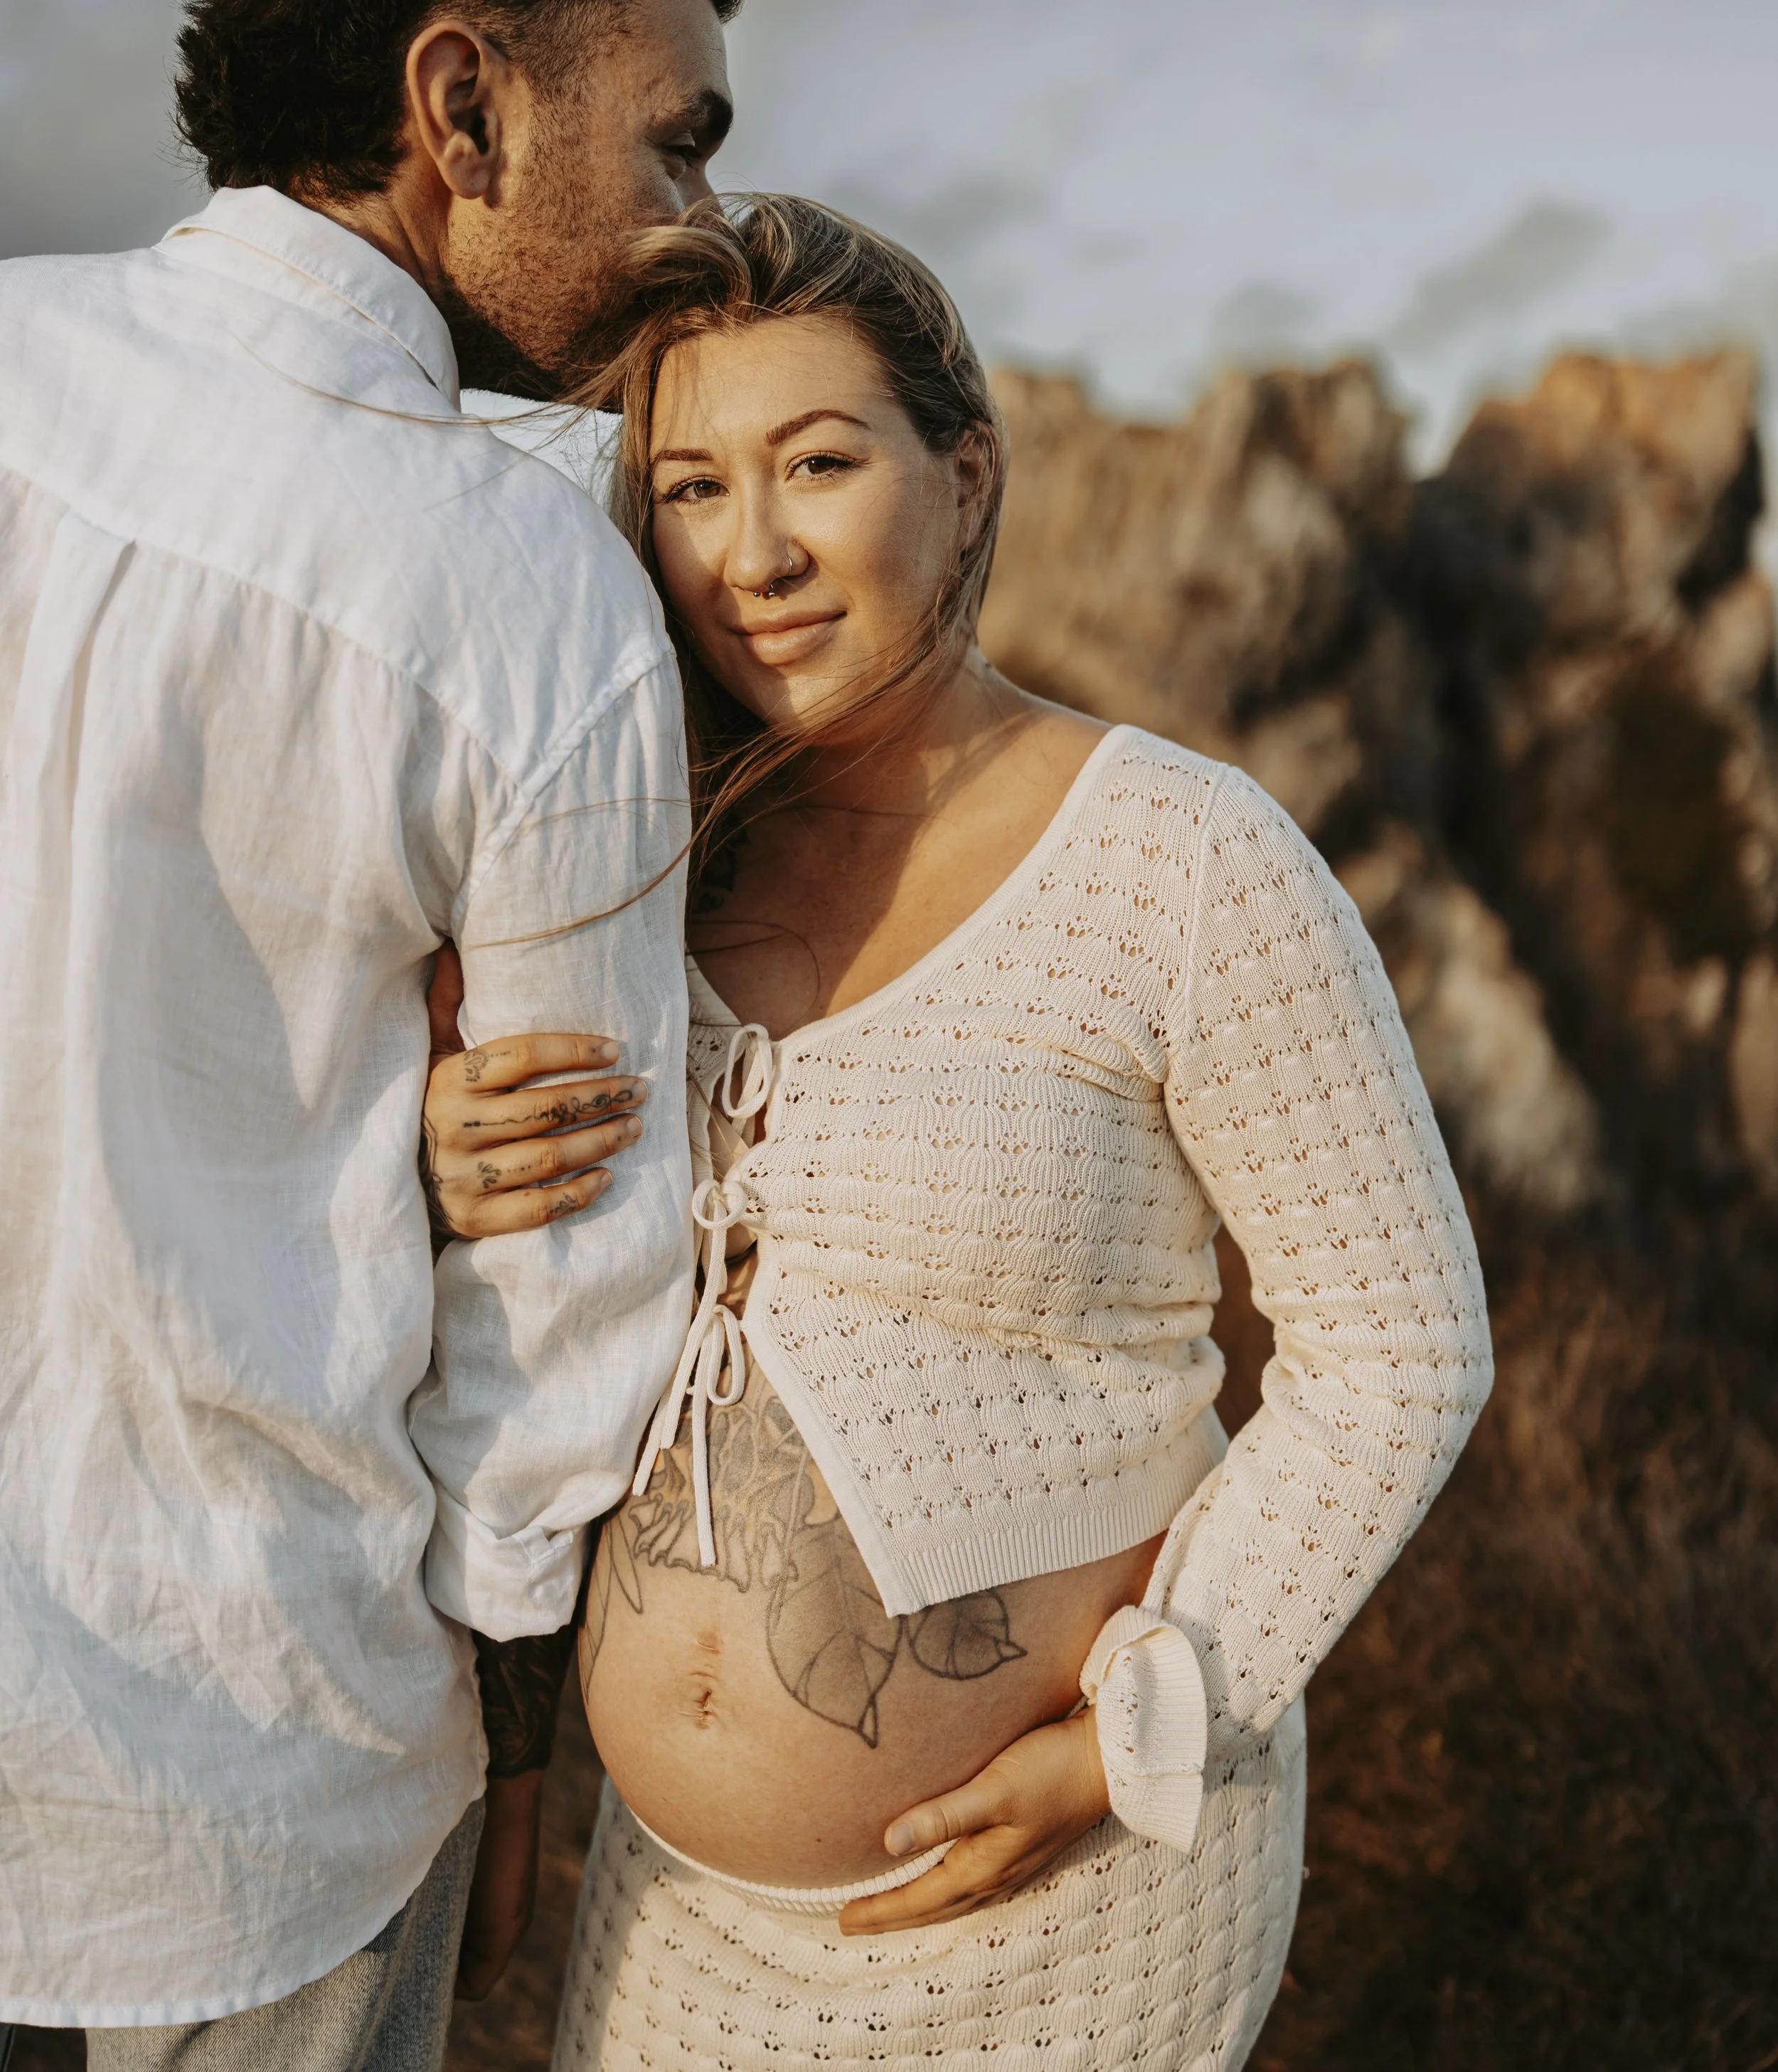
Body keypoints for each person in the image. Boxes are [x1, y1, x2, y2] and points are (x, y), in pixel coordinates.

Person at [420, 195, 1497, 2071]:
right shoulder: (639, 865)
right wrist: (441, 1157)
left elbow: (1397, 1348)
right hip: (671, 1910)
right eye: (688, 487)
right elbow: (532, 1293)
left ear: (964, 474)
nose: (752, 551)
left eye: (818, 462)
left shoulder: (1178, 857)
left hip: (1051, 1910)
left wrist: (1151, 1727)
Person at [0, 0, 742, 2065]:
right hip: (253, 1766)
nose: (695, 223)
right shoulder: (528, 589)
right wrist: (510, 1695)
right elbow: (571, 1280)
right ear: (463, 103)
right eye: (673, 139)